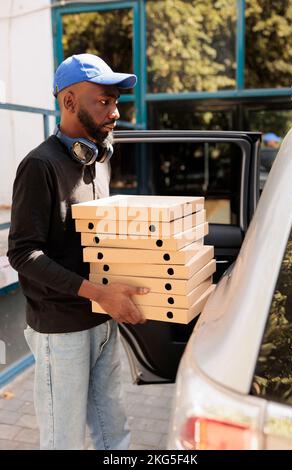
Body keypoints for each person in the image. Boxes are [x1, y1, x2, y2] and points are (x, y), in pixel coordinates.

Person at [7, 54, 150, 450]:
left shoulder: (99, 157)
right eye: (103, 101)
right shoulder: (39, 165)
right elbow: (22, 254)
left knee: (113, 430)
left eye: (116, 101)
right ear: (69, 102)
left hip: (102, 321)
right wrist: (99, 292)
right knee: (63, 440)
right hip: (61, 330)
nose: (115, 112)